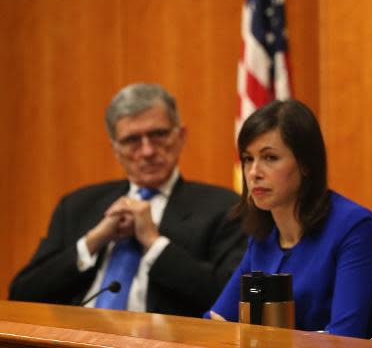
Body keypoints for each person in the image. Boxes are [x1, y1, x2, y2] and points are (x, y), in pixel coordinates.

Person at [9, 83, 246, 317]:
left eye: (158, 135)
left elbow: (227, 301)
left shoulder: (224, 207)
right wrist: (92, 241)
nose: (147, 151)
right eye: (132, 140)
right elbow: (22, 295)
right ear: (115, 148)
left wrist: (154, 244)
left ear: (181, 136)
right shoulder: (77, 206)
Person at [206, 99, 372, 345]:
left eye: (270, 158)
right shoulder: (263, 235)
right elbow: (216, 322)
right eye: (247, 159)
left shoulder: (353, 226)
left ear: (306, 164)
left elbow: (345, 339)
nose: (254, 172)